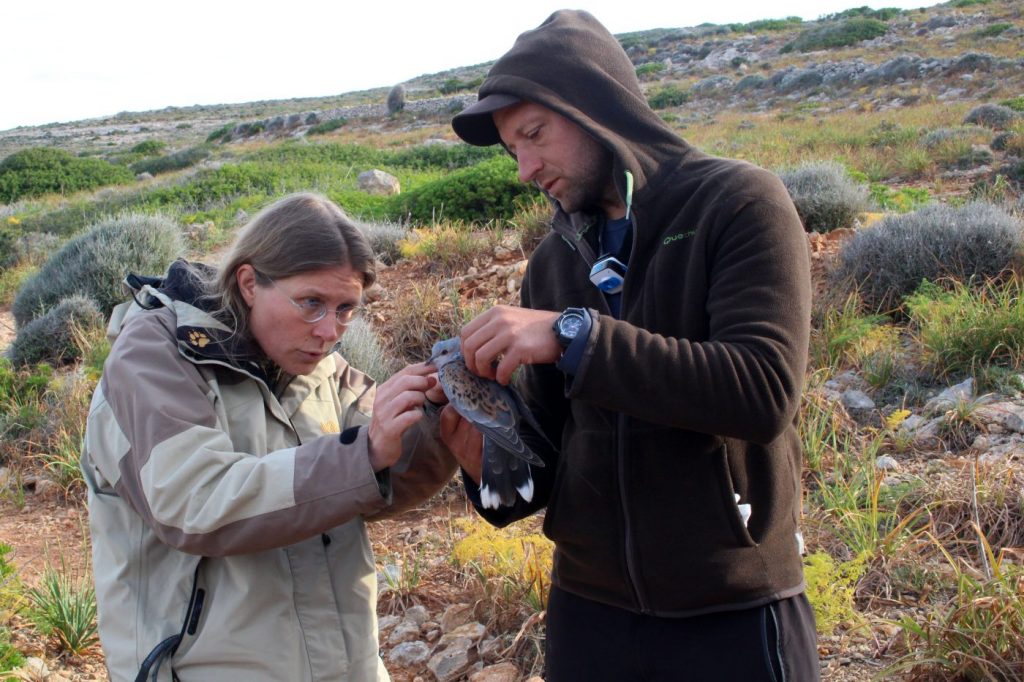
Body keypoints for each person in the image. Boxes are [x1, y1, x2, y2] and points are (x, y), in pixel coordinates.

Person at [443, 9, 819, 681]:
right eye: (511, 149)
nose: (525, 168)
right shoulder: (554, 261)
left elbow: (763, 391)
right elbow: (553, 457)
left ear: (593, 105)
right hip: (589, 613)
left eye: (534, 134)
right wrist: (486, 453)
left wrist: (573, 334)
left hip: (732, 603)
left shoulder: (737, 202)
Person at [81, 192, 456, 681]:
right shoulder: (155, 355)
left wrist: (441, 426)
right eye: (311, 303)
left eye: (346, 308)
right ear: (249, 283)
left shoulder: (320, 366)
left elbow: (379, 479)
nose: (330, 331)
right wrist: (363, 455)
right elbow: (194, 501)